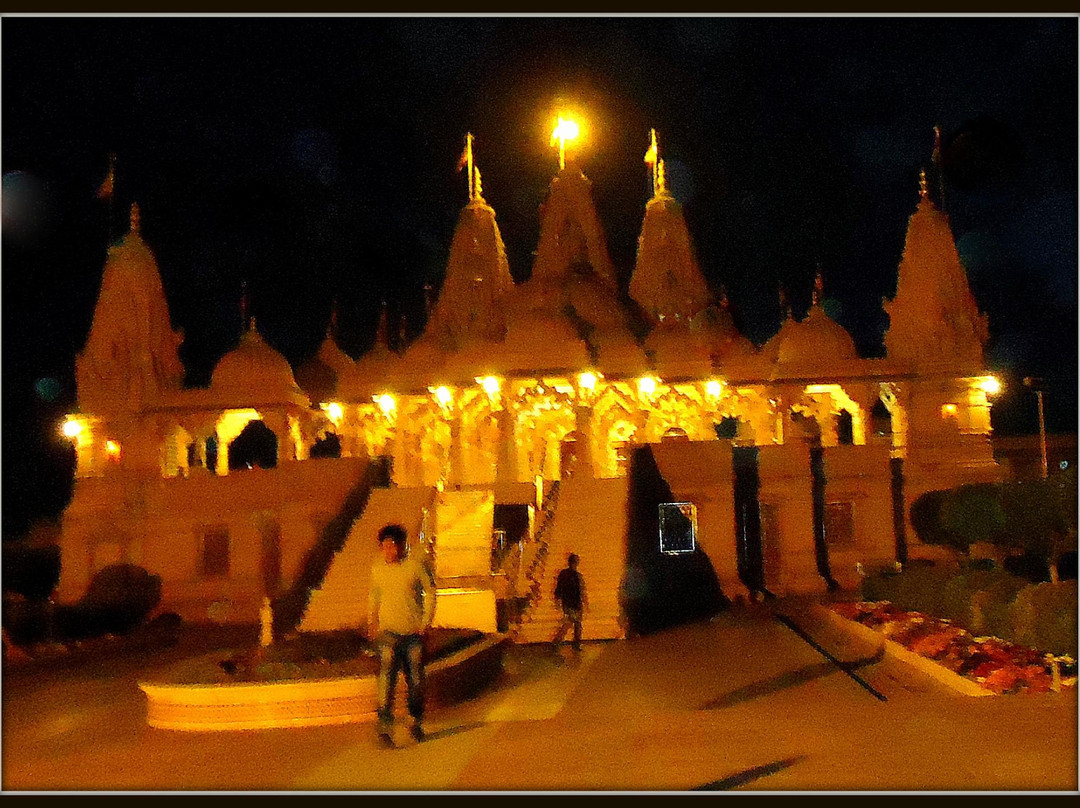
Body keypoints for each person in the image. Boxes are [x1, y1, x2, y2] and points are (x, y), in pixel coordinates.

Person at [368, 523, 435, 748]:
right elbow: (374, 596)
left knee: (415, 677)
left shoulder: (414, 567)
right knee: (387, 675)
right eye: (385, 546)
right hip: (388, 632)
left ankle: (414, 719)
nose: (389, 551)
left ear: (402, 546)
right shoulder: (377, 569)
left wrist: (425, 622)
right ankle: (384, 723)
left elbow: (430, 592)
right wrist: (372, 621)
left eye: (393, 546)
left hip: (412, 632)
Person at [551, 552, 586, 652]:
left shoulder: (564, 574)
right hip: (574, 603)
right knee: (574, 623)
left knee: (573, 623)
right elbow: (581, 590)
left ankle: (561, 642)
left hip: (569, 603)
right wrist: (584, 602)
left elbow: (559, 588)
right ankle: (562, 642)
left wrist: (558, 599)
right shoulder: (577, 576)